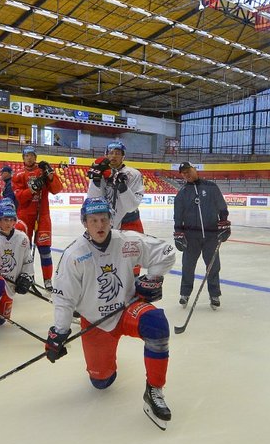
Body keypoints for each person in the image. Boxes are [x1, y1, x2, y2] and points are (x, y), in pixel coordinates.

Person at [44, 197, 177, 430]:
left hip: (127, 309)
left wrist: (153, 278)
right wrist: (59, 331)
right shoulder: (74, 254)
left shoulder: (126, 241)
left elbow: (165, 251)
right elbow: (64, 298)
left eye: (104, 219)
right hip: (95, 321)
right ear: (85, 222)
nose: (100, 225)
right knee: (101, 382)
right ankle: (107, 369)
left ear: (111, 220)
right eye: (93, 220)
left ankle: (154, 390)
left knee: (157, 324)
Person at [173, 162, 230, 309]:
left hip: (211, 235)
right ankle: (185, 294)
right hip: (191, 237)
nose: (186, 174)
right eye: (183, 173)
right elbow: (178, 216)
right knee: (188, 266)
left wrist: (224, 223)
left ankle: (214, 294)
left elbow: (222, 207)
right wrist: (178, 234)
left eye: (188, 171)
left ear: (194, 169)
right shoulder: (182, 193)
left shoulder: (211, 187)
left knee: (213, 266)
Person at [12, 146, 62, 290]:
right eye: (26, 155)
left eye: (31, 155)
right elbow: (20, 198)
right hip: (24, 216)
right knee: (24, 249)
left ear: (35, 157)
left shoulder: (43, 171)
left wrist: (51, 174)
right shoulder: (18, 175)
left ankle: (47, 280)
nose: (29, 158)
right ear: (23, 158)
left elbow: (57, 189)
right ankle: (27, 276)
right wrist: (32, 189)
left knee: (45, 249)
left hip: (43, 215)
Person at [0, 202, 34, 334]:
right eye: (5, 219)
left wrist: (26, 277)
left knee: (1, 320)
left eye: (11, 220)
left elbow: (27, 260)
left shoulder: (22, 237)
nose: (8, 223)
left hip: (11, 283)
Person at [87, 141, 145, 232]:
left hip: (129, 222)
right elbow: (94, 200)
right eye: (110, 153)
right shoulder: (99, 172)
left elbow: (131, 207)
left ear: (123, 156)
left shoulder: (134, 174)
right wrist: (96, 180)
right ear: (106, 155)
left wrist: (122, 187)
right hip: (104, 222)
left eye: (117, 153)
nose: (113, 156)